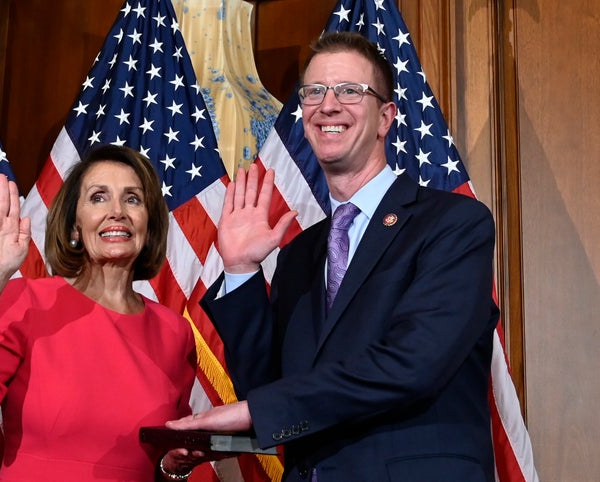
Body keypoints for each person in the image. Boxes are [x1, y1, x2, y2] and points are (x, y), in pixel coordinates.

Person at [167, 31, 499, 481]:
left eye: (349, 91)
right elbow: (271, 392)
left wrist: (258, 410)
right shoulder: (300, 254)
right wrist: (242, 270)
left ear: (385, 118)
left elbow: (412, 365)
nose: (328, 105)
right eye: (314, 92)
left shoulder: (454, 224)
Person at [0, 145, 206, 481]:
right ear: (75, 227)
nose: (117, 211)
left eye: (133, 199)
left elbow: (164, 462)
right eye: (98, 197)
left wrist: (173, 467)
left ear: (149, 226)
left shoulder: (174, 332)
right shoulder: (29, 302)